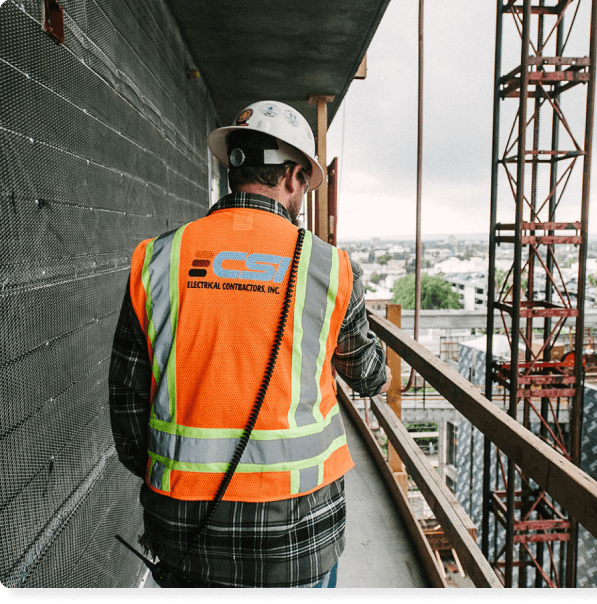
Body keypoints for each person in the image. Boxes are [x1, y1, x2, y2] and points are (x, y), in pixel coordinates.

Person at [108, 100, 389, 588]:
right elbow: (368, 376)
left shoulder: (158, 259)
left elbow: (128, 411)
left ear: (234, 167)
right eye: (304, 183)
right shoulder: (329, 269)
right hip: (300, 537)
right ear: (293, 177)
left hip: (185, 534)